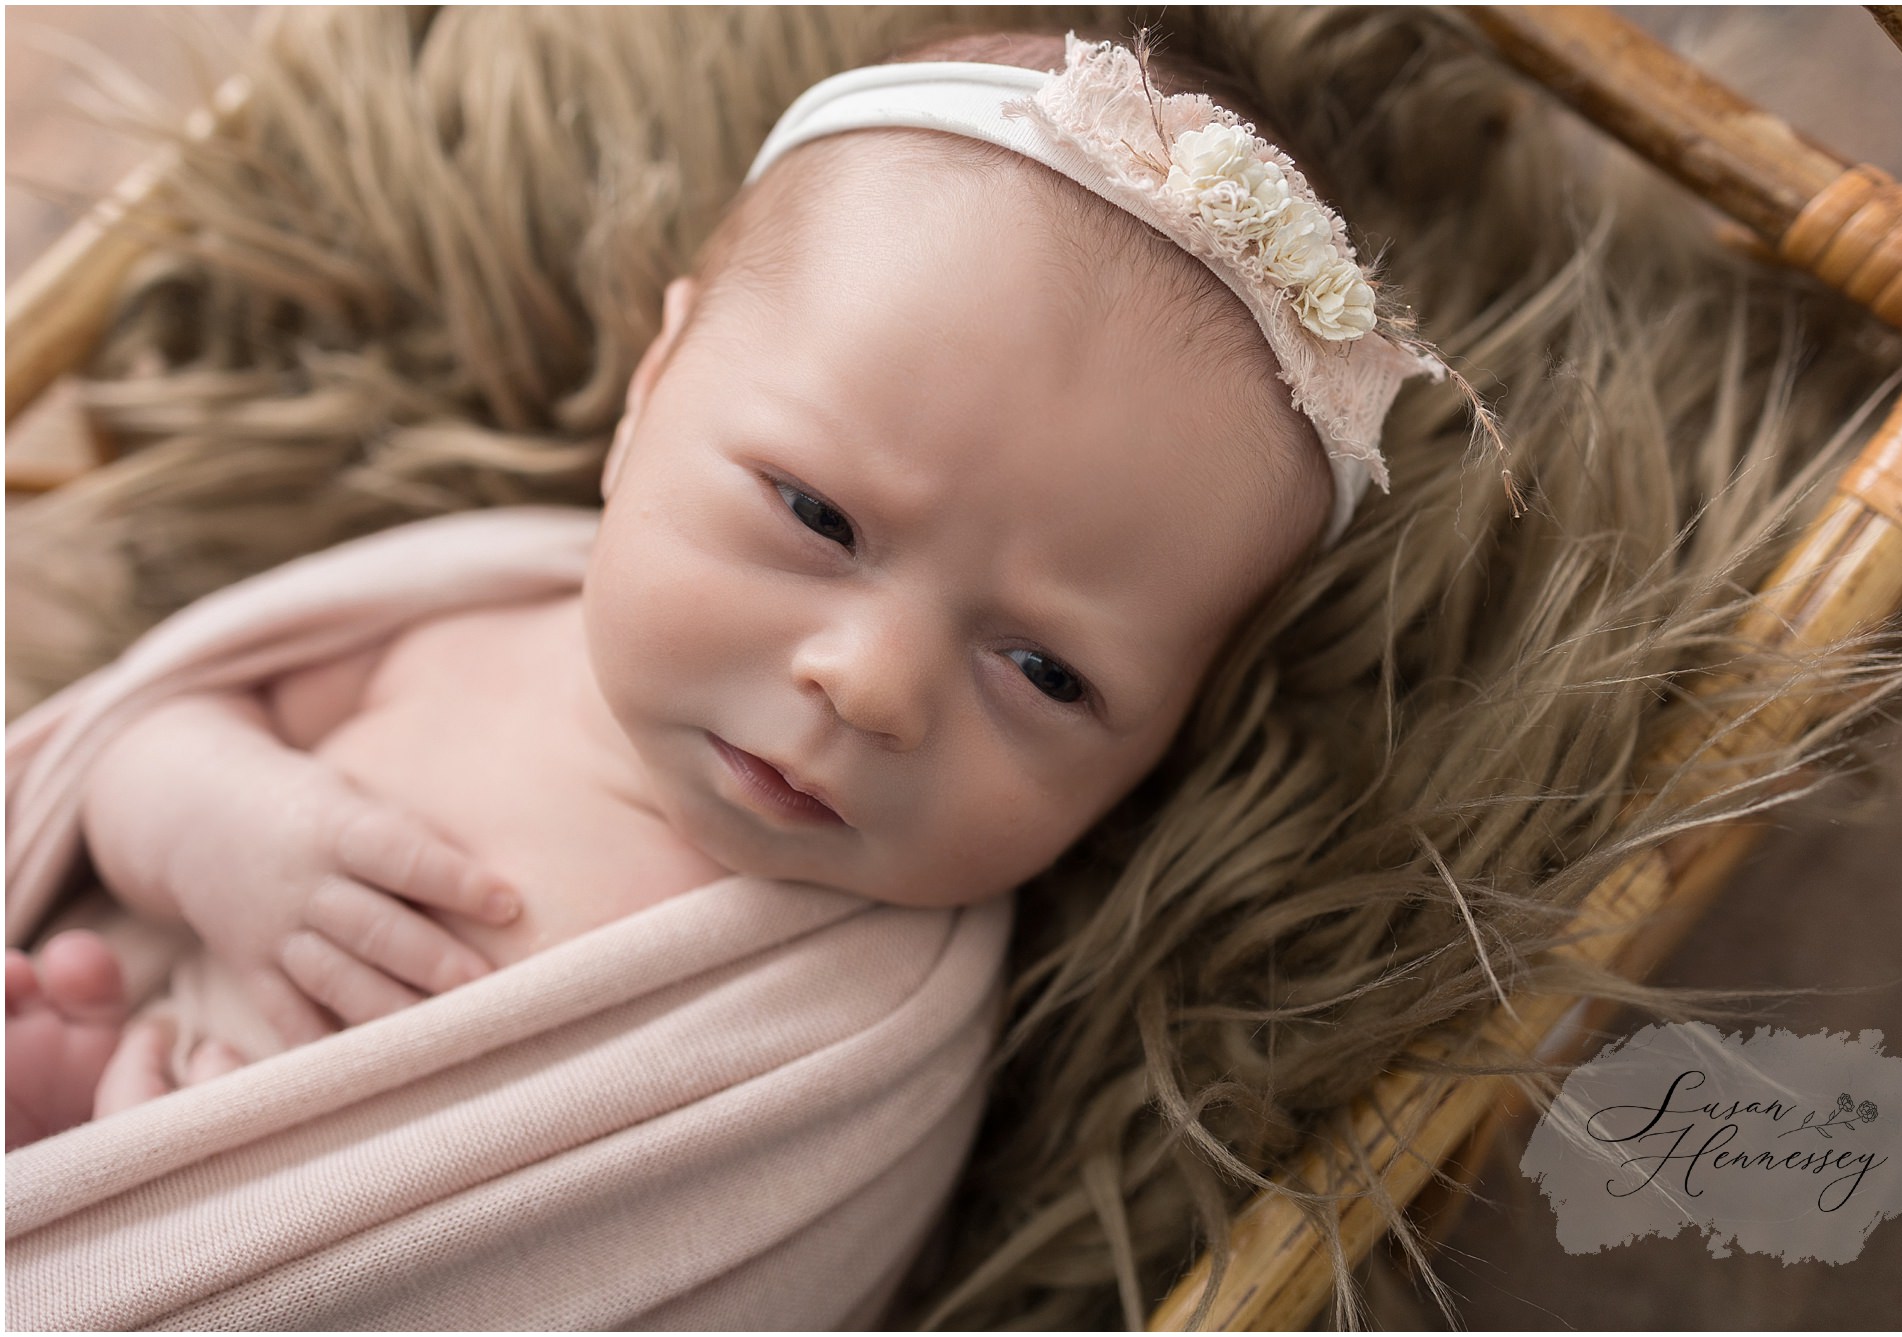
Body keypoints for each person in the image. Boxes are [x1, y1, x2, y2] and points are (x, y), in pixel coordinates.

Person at [6, 31, 1444, 1151]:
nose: (869, 685)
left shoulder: (849, 1046)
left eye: (1048, 672)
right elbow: (147, 724)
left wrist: (161, 1165)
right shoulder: (476, 612)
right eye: (819, 515)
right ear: (652, 390)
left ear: (1171, 732)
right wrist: (208, 828)